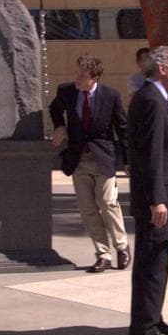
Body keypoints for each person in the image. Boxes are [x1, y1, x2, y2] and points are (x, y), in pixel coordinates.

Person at [50, 54, 131, 273]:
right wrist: (59, 126)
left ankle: (122, 246)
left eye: (82, 75)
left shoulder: (110, 96)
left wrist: (127, 160)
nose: (77, 78)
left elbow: (122, 128)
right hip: (78, 159)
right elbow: (54, 109)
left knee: (107, 203)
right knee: (87, 209)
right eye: (77, 73)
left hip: (103, 158)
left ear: (95, 78)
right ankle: (103, 255)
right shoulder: (67, 91)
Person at [127, 46, 168, 335]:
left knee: (158, 263)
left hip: (165, 197)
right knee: (151, 263)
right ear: (162, 68)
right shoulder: (150, 100)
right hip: (158, 201)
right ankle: (144, 328)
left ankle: (153, 318)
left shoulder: (159, 98)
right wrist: (157, 199)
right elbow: (150, 155)